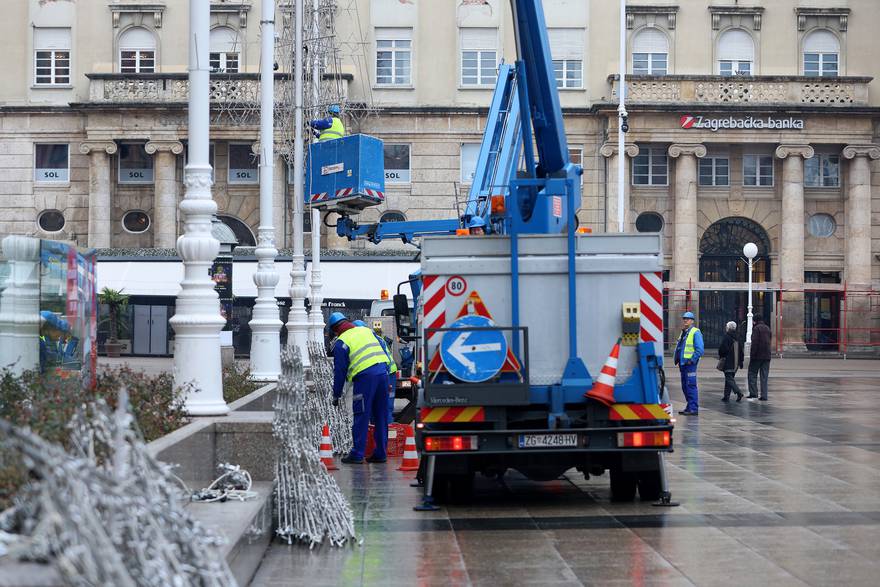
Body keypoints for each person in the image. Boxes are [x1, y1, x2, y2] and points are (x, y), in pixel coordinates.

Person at [329, 312, 390, 464]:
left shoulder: (342, 341)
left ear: (335, 330)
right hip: (383, 373)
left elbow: (340, 371)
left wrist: (336, 395)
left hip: (365, 378)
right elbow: (383, 347)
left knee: (361, 414)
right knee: (381, 415)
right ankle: (381, 453)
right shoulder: (366, 330)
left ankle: (357, 454)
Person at [354, 320, 398, 423]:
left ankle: (388, 430)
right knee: (377, 404)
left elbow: (384, 360)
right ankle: (377, 428)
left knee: (385, 405)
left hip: (388, 374)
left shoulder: (373, 340)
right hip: (385, 373)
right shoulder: (376, 339)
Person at [673, 311, 704, 416]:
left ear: (692, 321)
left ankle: (693, 408)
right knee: (684, 386)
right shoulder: (684, 332)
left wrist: (692, 360)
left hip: (690, 365)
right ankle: (689, 406)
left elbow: (700, 349)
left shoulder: (695, 332)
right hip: (683, 364)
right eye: (684, 318)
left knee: (690, 385)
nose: (685, 320)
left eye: (688, 318)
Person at [717, 321, 744, 402]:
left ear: (728, 328)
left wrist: (721, 356)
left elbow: (722, 349)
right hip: (735, 363)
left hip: (728, 361)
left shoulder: (727, 337)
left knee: (729, 378)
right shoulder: (738, 337)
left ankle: (738, 392)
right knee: (729, 378)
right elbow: (741, 351)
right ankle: (726, 396)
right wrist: (741, 361)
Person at [748, 316, 772, 401]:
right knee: (764, 377)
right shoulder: (767, 328)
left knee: (752, 374)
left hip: (757, 356)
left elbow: (754, 343)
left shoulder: (756, 329)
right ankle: (764, 395)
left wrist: (752, 355)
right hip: (767, 356)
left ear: (755, 321)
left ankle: (753, 393)